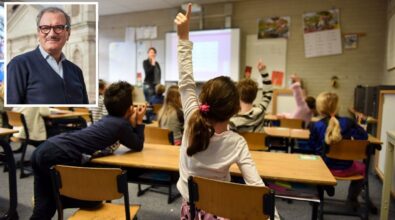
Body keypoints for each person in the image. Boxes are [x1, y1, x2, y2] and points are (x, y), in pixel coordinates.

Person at [174, 4, 279, 219]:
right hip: (221, 211)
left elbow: (186, 82)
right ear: (234, 111)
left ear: (204, 100)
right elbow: (256, 185)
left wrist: (183, 37)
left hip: (190, 210)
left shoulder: (192, 121)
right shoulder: (237, 142)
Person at [30, 81, 146, 220]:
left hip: (44, 149)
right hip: (59, 154)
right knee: (94, 200)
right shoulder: (121, 125)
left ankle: (52, 200)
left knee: (42, 211)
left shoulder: (107, 120)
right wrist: (139, 121)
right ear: (129, 109)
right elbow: (138, 145)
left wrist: (130, 122)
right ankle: (55, 200)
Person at [7, 7, 88, 104]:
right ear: (38, 33)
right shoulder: (19, 65)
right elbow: (11, 112)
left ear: (68, 33)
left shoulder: (76, 71)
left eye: (59, 27)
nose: (52, 33)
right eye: (45, 28)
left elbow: (85, 110)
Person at [309, 92, 368, 208]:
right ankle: (352, 198)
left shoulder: (316, 125)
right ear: (337, 107)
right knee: (363, 167)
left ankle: (322, 189)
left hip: (324, 169)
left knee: (314, 163)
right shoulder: (349, 123)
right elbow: (364, 137)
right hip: (347, 168)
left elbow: (312, 146)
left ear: (320, 108)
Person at [229, 62, 273, 132]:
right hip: (258, 143)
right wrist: (263, 71)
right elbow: (268, 92)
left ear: (238, 95)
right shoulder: (260, 111)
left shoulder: (232, 121)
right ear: (255, 95)